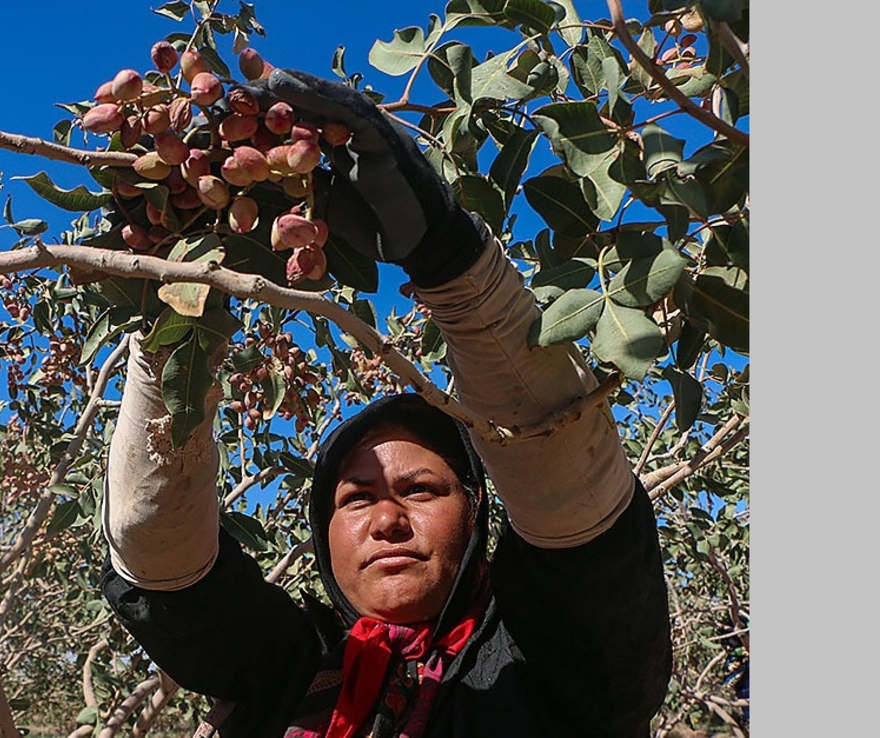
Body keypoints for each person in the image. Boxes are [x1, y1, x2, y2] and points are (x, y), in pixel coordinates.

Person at [100, 69, 672, 738]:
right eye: (356, 498)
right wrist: (175, 327)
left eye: (421, 489)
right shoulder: (292, 670)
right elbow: (161, 568)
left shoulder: (559, 663)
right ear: (323, 534)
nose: (388, 521)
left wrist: (455, 263)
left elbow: (581, 515)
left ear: (478, 512)